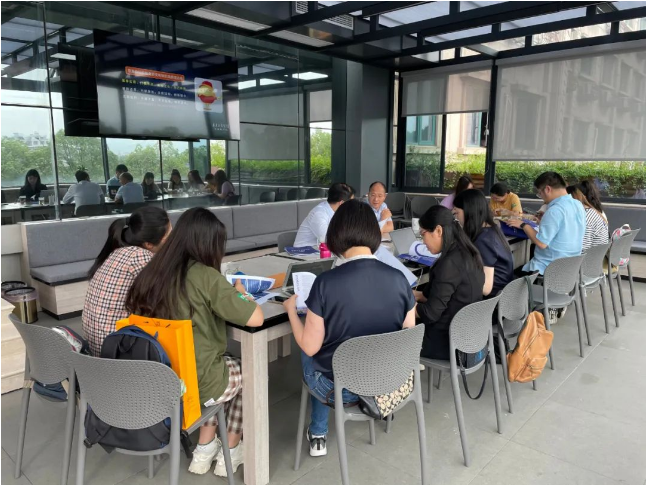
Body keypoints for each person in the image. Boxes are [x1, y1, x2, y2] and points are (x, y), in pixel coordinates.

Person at [126, 208, 264, 476]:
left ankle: (204, 447)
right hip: (197, 383)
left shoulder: (151, 272)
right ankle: (230, 450)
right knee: (250, 370)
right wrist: (240, 294)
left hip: (160, 378)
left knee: (219, 368)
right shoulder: (205, 276)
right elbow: (256, 318)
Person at [283, 199, 416, 457]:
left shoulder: (326, 283)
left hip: (340, 391)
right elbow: (407, 334)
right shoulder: (400, 279)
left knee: (314, 350)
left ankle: (318, 433)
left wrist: (291, 310)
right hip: (388, 382)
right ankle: (379, 408)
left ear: (337, 233)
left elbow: (309, 346)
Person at [83, 207, 170, 357]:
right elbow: (164, 297)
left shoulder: (119, 252)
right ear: (149, 244)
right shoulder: (141, 256)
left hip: (95, 342)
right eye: (169, 235)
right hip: (115, 348)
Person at [415, 206, 485, 360]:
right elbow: (444, 295)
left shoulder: (449, 264)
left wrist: (405, 307)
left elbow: (431, 313)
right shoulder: (469, 252)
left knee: (395, 330)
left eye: (423, 234)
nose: (423, 241)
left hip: (447, 342)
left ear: (438, 231)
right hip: (467, 334)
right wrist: (415, 295)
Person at [507, 172, 585, 275]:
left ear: (547, 189)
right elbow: (566, 230)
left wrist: (523, 225)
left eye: (540, 193)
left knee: (509, 276)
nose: (541, 197)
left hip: (548, 268)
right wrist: (544, 221)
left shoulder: (555, 210)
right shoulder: (578, 204)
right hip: (570, 268)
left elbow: (541, 243)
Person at [454, 189, 513, 297]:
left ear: (469, 211)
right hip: (503, 293)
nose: (456, 217)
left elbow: (485, 289)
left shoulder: (483, 240)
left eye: (457, 212)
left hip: (491, 299)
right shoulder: (492, 229)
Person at [294, 182, 354, 247]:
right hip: (304, 251)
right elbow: (327, 238)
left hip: (323, 249)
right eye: (351, 202)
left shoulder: (339, 212)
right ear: (342, 203)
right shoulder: (319, 213)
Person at [567, 185, 609, 251]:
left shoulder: (585, 217)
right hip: (596, 254)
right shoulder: (591, 211)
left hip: (590, 256)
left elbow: (583, 248)